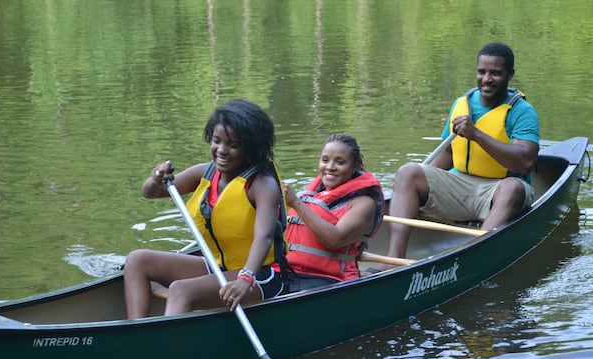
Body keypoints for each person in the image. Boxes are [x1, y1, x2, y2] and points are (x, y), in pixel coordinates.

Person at [123, 99, 287, 318]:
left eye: (232, 145)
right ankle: (137, 333)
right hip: (219, 267)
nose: (221, 150)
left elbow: (264, 236)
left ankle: (166, 347)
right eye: (217, 141)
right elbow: (150, 193)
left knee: (180, 290)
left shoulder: (262, 185)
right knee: (137, 260)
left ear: (251, 148)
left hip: (260, 274)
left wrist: (245, 278)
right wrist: (155, 179)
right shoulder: (204, 173)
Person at [381, 42, 539, 263]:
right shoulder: (461, 104)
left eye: (495, 73)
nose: (486, 79)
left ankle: (474, 255)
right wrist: (417, 188)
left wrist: (476, 134)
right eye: (482, 72)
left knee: (513, 187)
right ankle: (392, 260)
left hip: (499, 192)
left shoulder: (521, 111)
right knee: (408, 172)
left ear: (510, 75)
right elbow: (448, 152)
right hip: (461, 186)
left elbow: (525, 162)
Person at [281, 134, 384, 291]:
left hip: (330, 279)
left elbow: (335, 240)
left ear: (355, 166)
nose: (330, 167)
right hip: (291, 271)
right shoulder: (312, 196)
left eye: (340, 162)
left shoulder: (364, 203)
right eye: (325, 160)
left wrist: (296, 203)